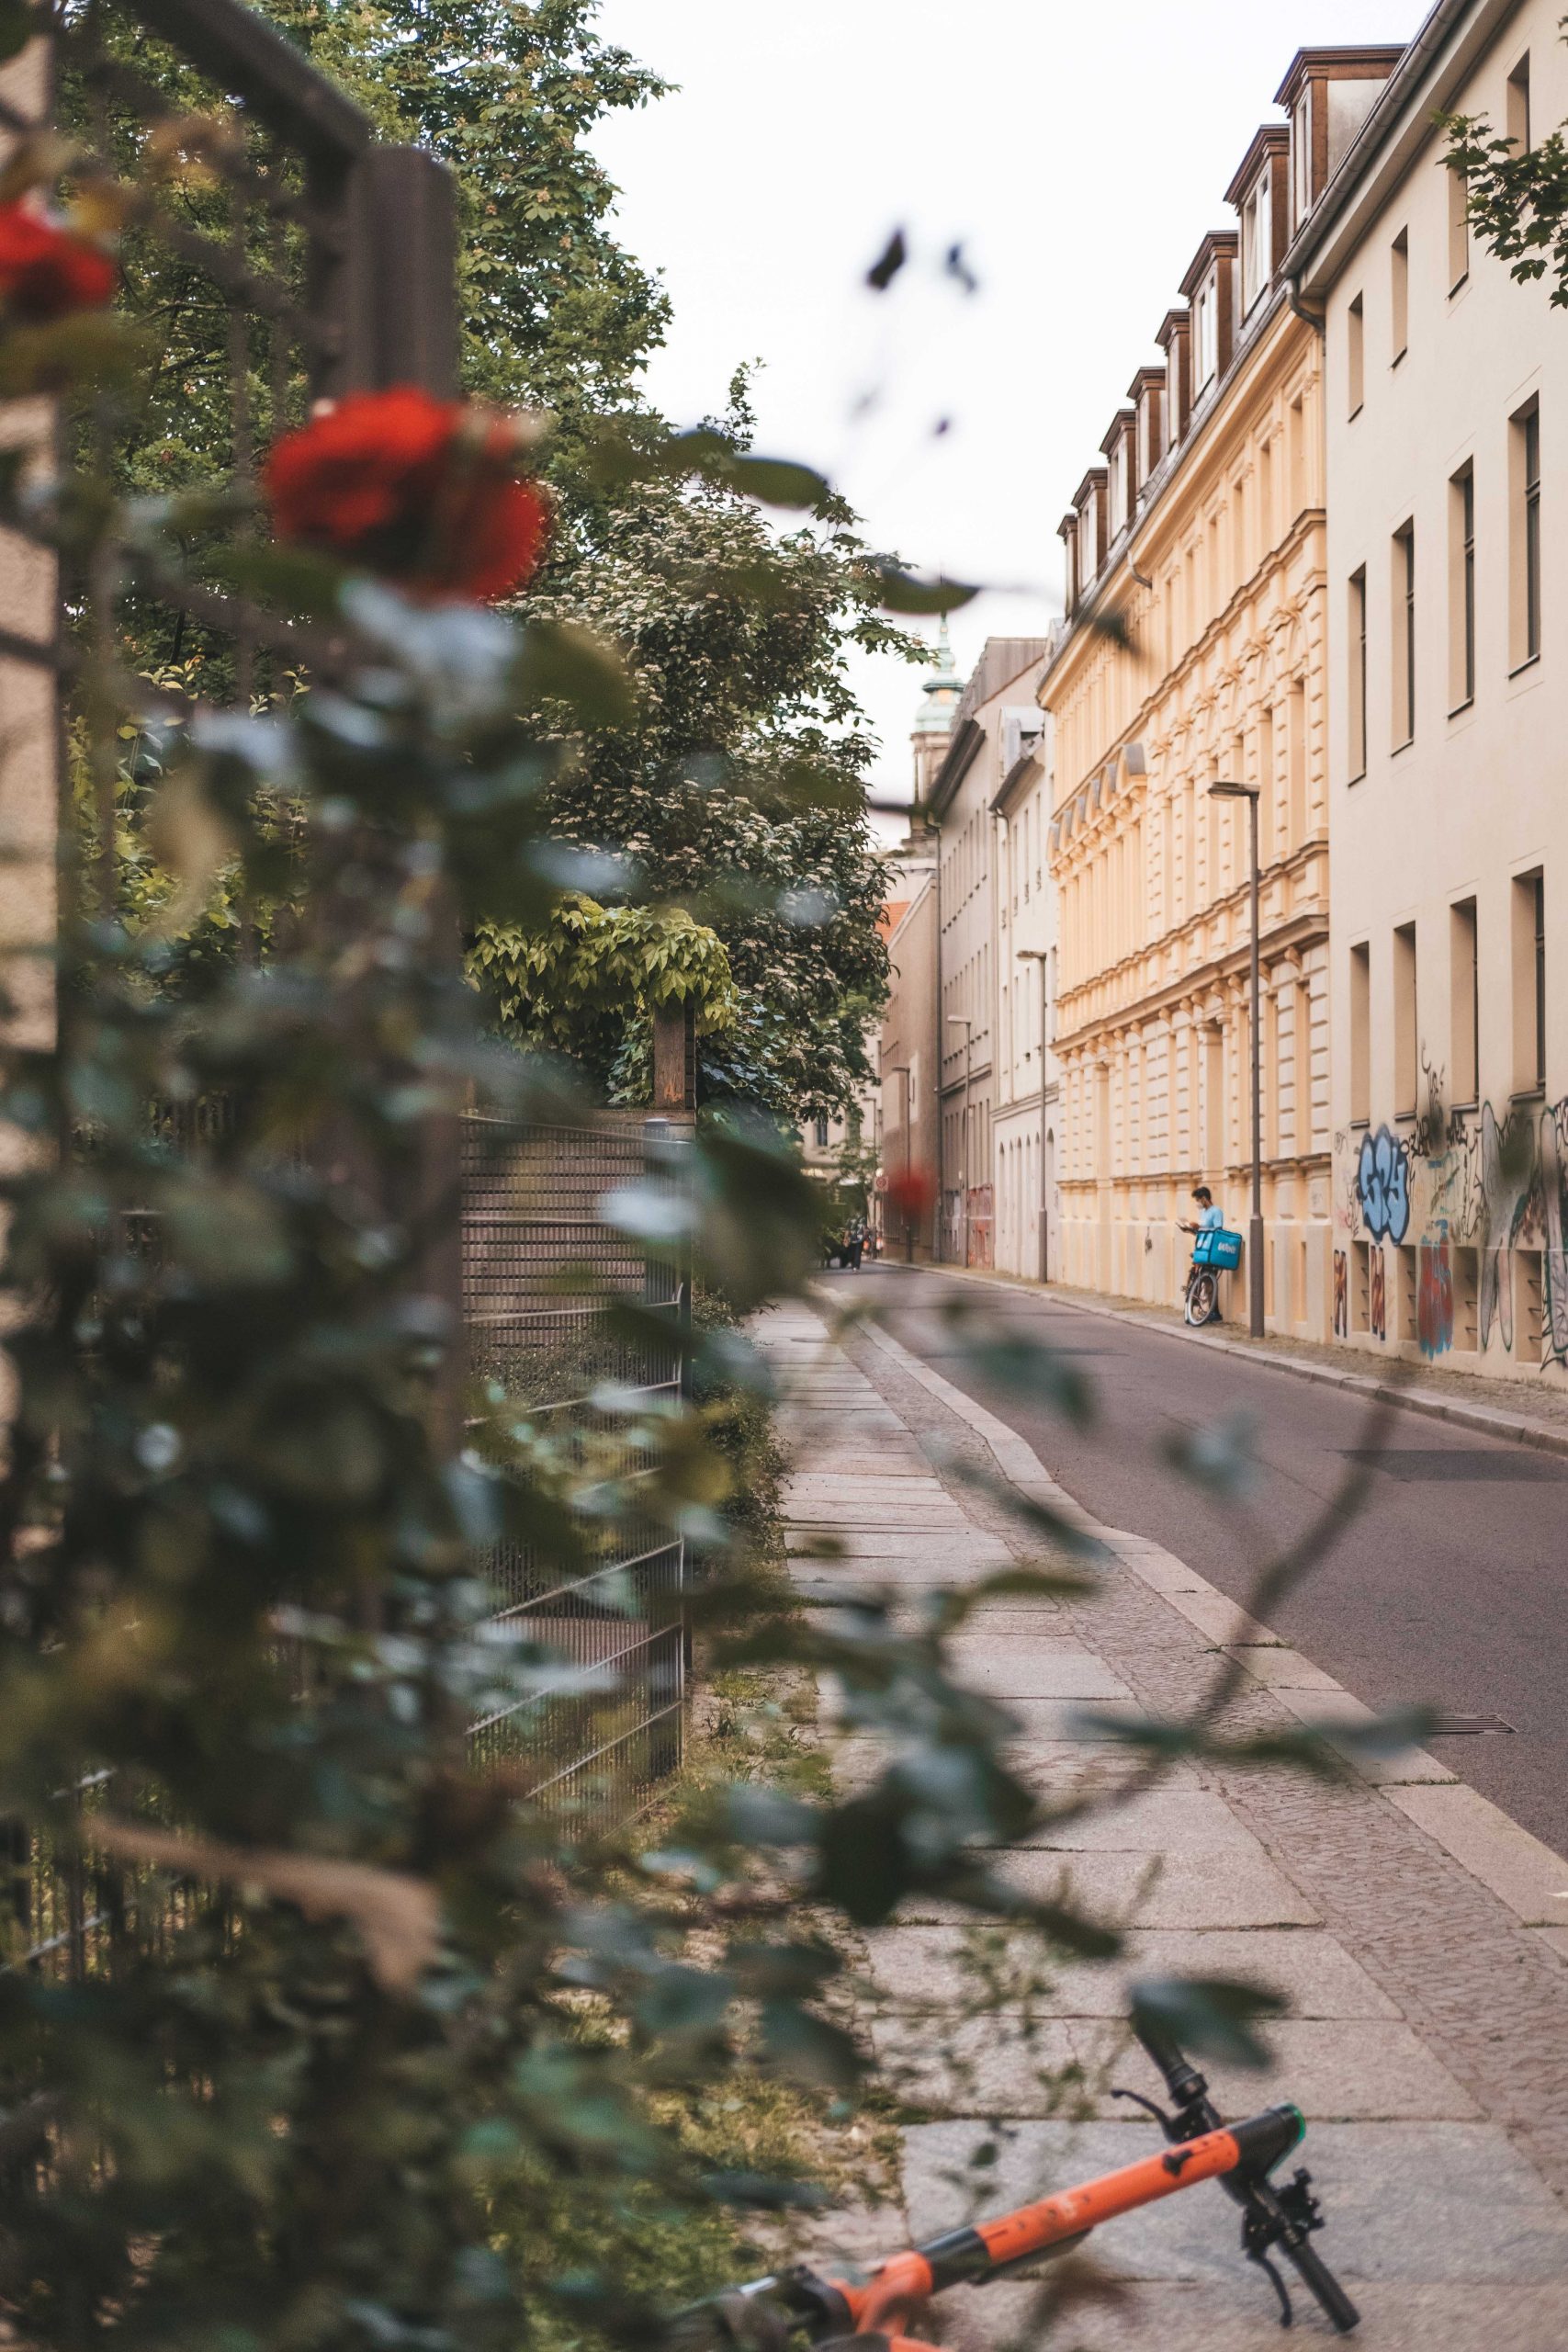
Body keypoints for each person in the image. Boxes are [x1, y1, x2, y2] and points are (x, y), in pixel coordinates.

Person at [1178, 1185, 1224, 1322]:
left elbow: (1217, 1231)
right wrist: (1191, 1229)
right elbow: (1203, 1231)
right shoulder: (1203, 1212)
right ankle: (1193, 1305)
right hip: (1201, 1247)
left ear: (1204, 1199)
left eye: (1198, 1200)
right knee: (1195, 1276)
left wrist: (1200, 1227)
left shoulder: (1216, 1212)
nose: (1197, 1203)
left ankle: (1214, 1311)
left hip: (1210, 1249)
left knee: (1209, 1280)